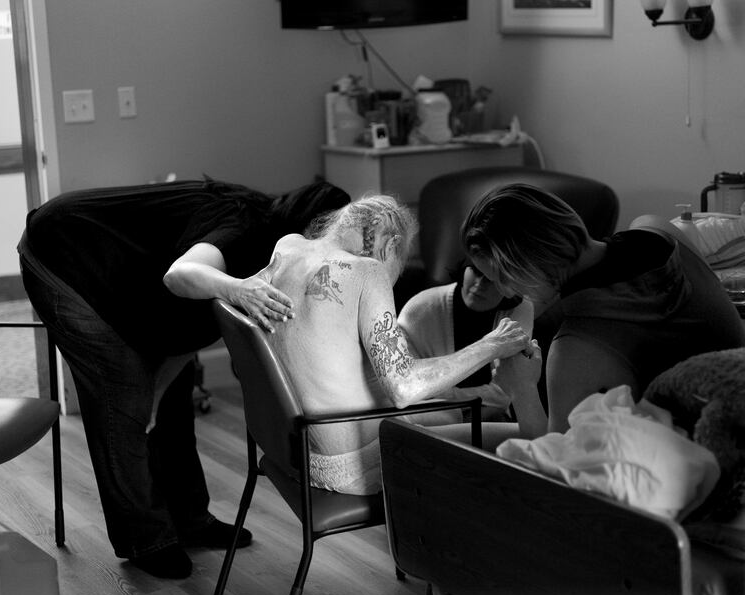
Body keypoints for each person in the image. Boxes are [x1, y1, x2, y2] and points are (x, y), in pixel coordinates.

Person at [18, 176, 350, 579]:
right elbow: (181, 274)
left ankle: (190, 519)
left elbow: (185, 333)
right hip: (62, 252)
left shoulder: (271, 248)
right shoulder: (244, 233)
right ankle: (146, 539)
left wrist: (159, 395)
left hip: (115, 264)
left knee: (174, 392)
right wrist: (238, 290)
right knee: (122, 393)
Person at [256, 194, 541, 495]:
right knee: (525, 438)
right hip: (344, 463)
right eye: (399, 262)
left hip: (294, 445)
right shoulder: (369, 271)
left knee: (449, 415)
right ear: (391, 245)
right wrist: (492, 345)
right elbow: (403, 388)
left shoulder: (289, 247)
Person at [460, 183, 745, 434]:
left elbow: (557, 472)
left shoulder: (577, 352)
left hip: (699, 461)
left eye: (501, 277)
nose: (507, 292)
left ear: (525, 265)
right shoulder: (660, 230)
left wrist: (521, 389)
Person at [398, 261, 535, 423]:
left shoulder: (521, 309)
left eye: (492, 279)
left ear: (510, 284)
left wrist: (446, 396)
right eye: (476, 270)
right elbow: (407, 388)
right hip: (428, 413)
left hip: (487, 414)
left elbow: (505, 393)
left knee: (497, 419)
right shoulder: (421, 307)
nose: (479, 284)